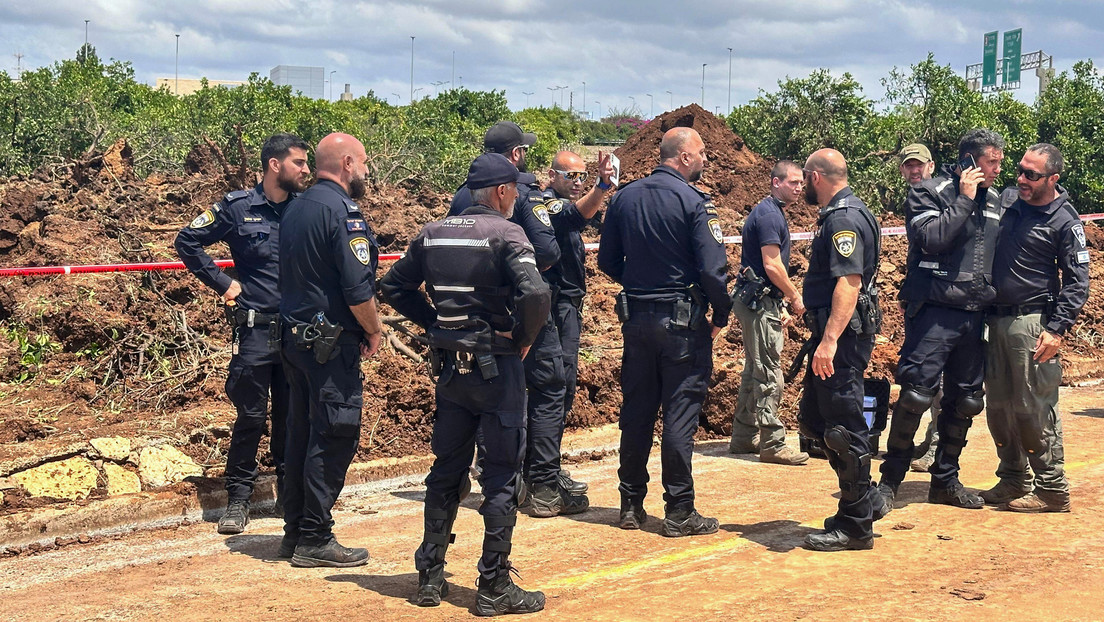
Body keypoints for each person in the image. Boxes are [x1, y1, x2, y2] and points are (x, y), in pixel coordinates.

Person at [381, 153, 550, 615]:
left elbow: (393, 287)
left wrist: (437, 324)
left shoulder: (432, 232)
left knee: (445, 470)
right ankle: (494, 587)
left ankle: (429, 578)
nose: (517, 197)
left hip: (450, 372)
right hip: (497, 369)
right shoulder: (507, 233)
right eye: (514, 189)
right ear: (500, 192)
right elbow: (536, 292)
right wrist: (521, 338)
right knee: (500, 475)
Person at [597, 127, 731, 536]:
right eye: (703, 153)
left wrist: (638, 283)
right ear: (685, 156)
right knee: (680, 413)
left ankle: (631, 506)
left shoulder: (624, 198)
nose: (707, 159)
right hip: (682, 325)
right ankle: (679, 510)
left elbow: (606, 261)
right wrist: (721, 316)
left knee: (636, 413)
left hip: (636, 321)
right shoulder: (695, 203)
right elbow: (713, 270)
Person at [174, 133, 311, 535]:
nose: (306, 170)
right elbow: (188, 240)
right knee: (250, 417)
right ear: (275, 165)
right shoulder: (238, 208)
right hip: (255, 332)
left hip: (297, 334)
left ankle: (290, 498)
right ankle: (237, 500)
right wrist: (223, 283)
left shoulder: (307, 210)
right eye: (299, 163)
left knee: (291, 417)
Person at [451, 121, 588, 516]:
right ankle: (543, 484)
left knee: (479, 393)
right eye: (523, 151)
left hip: (471, 313)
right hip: (518, 306)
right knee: (548, 387)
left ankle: (492, 477)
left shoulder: (461, 196)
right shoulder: (522, 195)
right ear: (514, 156)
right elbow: (546, 253)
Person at [877, 130, 1005, 513]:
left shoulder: (998, 198)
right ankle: (889, 481)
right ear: (969, 162)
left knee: (966, 401)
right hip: (934, 311)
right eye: (992, 162)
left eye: (1000, 162)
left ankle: (946, 479)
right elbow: (932, 238)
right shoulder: (929, 192)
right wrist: (965, 199)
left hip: (975, 314)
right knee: (916, 393)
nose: (999, 169)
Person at [278, 133, 383, 567]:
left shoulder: (296, 207)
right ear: (345, 163)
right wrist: (375, 331)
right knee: (334, 434)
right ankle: (315, 538)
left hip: (294, 342)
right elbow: (358, 290)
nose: (366, 171)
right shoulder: (343, 213)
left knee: (300, 436)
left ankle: (295, 532)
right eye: (362, 163)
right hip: (329, 346)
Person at [984, 143, 1089, 513]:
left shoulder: (1065, 220)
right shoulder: (1008, 200)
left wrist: (1057, 329)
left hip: (1032, 323)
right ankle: (1013, 477)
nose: (1022, 179)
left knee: (1033, 407)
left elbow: (1078, 282)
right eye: (1020, 170)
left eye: (1032, 174)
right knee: (997, 406)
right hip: (994, 319)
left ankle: (1052, 487)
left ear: (1053, 179)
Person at [796, 148, 883, 552]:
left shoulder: (844, 218)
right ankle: (860, 505)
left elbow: (849, 283)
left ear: (816, 177)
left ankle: (856, 525)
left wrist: (829, 341)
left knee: (845, 430)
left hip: (842, 339)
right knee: (818, 423)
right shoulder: (851, 212)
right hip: (837, 335)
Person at [727, 160, 809, 465]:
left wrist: (782, 301)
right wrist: (794, 297)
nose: (799, 188)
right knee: (768, 371)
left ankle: (743, 437)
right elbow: (772, 265)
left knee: (754, 368)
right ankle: (772, 442)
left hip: (760, 301)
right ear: (775, 182)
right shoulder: (769, 215)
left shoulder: (770, 212)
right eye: (793, 183)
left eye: (801, 183)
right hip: (759, 304)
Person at [542, 149, 616, 479]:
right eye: (570, 176)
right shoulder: (547, 205)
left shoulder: (560, 204)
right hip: (556, 310)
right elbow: (574, 216)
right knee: (557, 386)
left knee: (562, 387)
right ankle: (542, 468)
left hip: (566, 307)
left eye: (581, 176)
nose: (576, 182)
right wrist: (600, 186)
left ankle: (542, 463)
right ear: (551, 175)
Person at [897, 142, 941, 473]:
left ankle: (938, 445)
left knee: (939, 376)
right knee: (922, 374)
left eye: (919, 165)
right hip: (920, 297)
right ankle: (929, 440)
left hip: (942, 301)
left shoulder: (942, 197)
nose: (914, 170)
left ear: (931, 166)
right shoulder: (917, 200)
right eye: (908, 166)